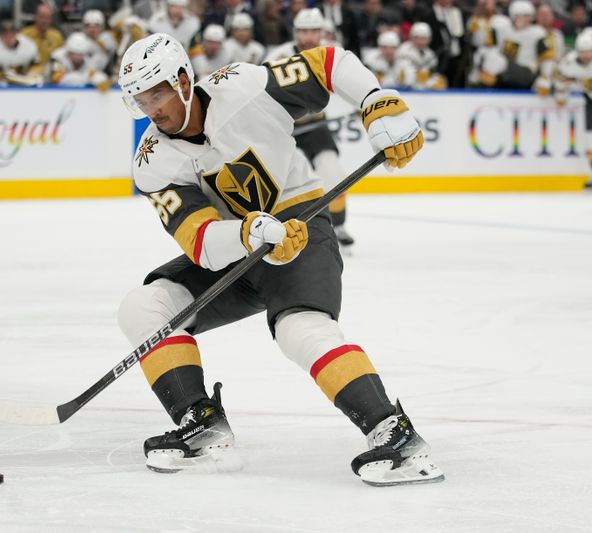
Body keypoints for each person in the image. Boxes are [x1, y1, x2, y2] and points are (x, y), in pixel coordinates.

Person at [115, 32, 443, 485]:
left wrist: (376, 100)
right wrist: (251, 233)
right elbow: (203, 242)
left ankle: (396, 435)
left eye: (157, 94)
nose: (151, 110)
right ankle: (202, 425)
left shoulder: (244, 87)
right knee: (143, 307)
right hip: (238, 247)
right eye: (140, 100)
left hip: (300, 222)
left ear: (184, 82)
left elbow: (330, 61)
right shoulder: (152, 161)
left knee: (299, 328)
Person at [266, 8, 355, 248]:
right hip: (281, 127)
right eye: (303, 31)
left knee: (333, 171)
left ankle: (339, 225)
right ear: (295, 33)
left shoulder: (331, 54)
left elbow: (348, 80)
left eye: (313, 31)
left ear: (321, 33)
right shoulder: (278, 56)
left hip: (314, 125)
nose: (308, 37)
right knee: (274, 179)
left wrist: (361, 102)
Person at [553, 29, 592, 188]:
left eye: (589, 52)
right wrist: (561, 92)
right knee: (589, 141)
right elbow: (559, 79)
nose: (587, 56)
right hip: (587, 103)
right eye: (584, 52)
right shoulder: (568, 62)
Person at [20, 3, 65, 68]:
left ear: (51, 19)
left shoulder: (57, 36)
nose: (44, 21)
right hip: (28, 74)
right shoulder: (24, 35)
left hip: (50, 74)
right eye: (42, 17)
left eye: (48, 18)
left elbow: (62, 59)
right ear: (36, 17)